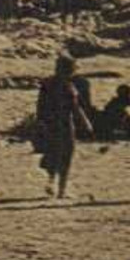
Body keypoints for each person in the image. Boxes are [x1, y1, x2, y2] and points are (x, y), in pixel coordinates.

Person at [34, 54, 93, 199]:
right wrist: (86, 123)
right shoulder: (69, 86)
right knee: (66, 156)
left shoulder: (47, 84)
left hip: (50, 124)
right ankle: (61, 190)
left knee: (52, 153)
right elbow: (75, 107)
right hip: (65, 124)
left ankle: (51, 182)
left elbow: (40, 106)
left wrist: (40, 123)